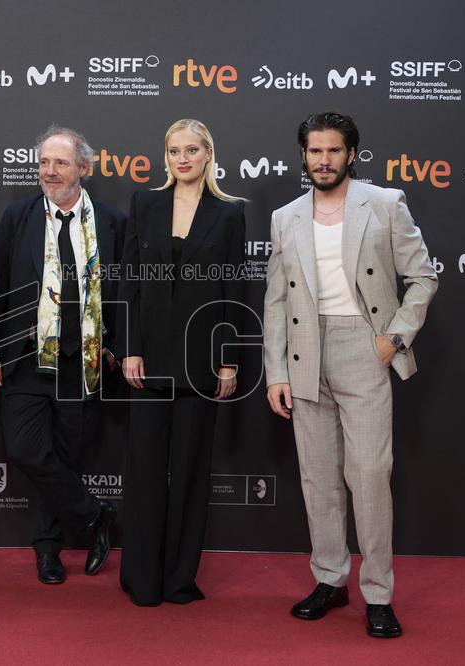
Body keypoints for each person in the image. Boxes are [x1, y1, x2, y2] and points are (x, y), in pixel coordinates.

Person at [263, 111, 438, 638]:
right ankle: (330, 579)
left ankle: (378, 593)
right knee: (319, 479)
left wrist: (394, 337)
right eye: (314, 151)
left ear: (351, 154)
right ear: (303, 155)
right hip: (304, 352)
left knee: (368, 477)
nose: (323, 160)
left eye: (333, 151)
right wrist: (275, 371)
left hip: (365, 347)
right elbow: (275, 300)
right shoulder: (285, 216)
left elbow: (423, 277)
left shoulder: (384, 204)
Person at [0, 126, 123, 585]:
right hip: (25, 357)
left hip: (83, 363)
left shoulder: (111, 221)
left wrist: (118, 345)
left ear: (84, 168)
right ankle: (95, 514)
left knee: (65, 455)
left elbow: (127, 290)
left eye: (60, 163)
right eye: (43, 163)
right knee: (26, 450)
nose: (50, 172)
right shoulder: (18, 218)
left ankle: (48, 550)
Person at [115, 118, 246, 606]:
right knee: (146, 473)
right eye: (174, 151)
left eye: (192, 150)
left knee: (190, 474)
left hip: (201, 361)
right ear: (165, 157)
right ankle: (142, 580)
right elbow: (127, 282)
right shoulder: (144, 203)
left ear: (209, 154)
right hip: (147, 361)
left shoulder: (229, 214)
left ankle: (178, 581)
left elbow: (234, 289)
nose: (183, 159)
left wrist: (229, 361)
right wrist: (129, 347)